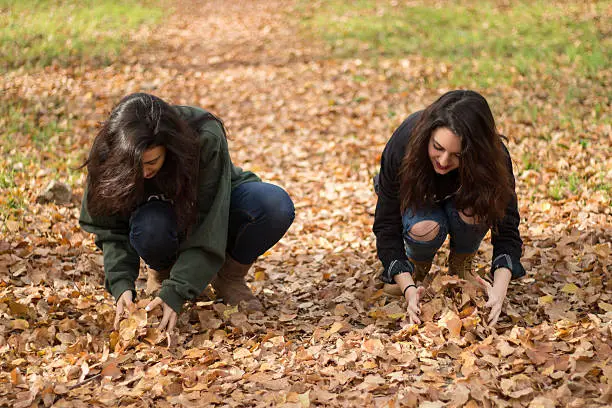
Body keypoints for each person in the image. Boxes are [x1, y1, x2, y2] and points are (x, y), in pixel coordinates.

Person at [80, 93, 295, 335]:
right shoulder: (109, 149)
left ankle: (228, 278)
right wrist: (121, 286)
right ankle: (163, 273)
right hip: (156, 216)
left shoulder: (203, 135)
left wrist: (178, 291)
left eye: (152, 162)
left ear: (168, 147)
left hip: (213, 202)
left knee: (273, 205)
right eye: (135, 164)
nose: (143, 172)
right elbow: (110, 228)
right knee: (151, 227)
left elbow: (209, 221)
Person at [373, 90, 525, 327]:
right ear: (428, 135)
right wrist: (408, 288)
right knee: (425, 228)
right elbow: (386, 225)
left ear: (476, 152)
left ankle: (461, 264)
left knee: (478, 207)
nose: (443, 161)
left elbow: (507, 230)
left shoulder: (494, 159)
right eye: (437, 147)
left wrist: (500, 290)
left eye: (457, 155)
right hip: (419, 195)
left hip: (463, 197)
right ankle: (415, 267)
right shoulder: (404, 142)